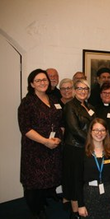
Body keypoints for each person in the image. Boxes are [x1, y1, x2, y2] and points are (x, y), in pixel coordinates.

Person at [18, 69, 63, 218]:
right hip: (35, 149)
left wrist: (59, 138)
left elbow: (60, 122)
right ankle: (35, 211)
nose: (42, 83)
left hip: (52, 147)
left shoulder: (54, 100)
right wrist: (45, 141)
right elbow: (25, 128)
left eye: (44, 80)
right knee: (34, 181)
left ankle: (42, 204)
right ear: (32, 84)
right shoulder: (27, 103)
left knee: (47, 178)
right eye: (38, 80)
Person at [62, 79, 96, 219]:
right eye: (80, 88)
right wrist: (92, 143)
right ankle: (75, 212)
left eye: (85, 89)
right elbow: (75, 130)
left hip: (86, 147)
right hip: (75, 148)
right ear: (75, 90)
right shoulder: (70, 106)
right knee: (75, 179)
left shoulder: (89, 106)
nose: (83, 91)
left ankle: (83, 206)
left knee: (84, 178)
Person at [77, 118, 110, 219]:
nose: (99, 133)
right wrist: (80, 205)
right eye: (96, 130)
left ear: (106, 133)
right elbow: (77, 181)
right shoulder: (82, 153)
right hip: (89, 196)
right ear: (90, 132)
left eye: (102, 130)